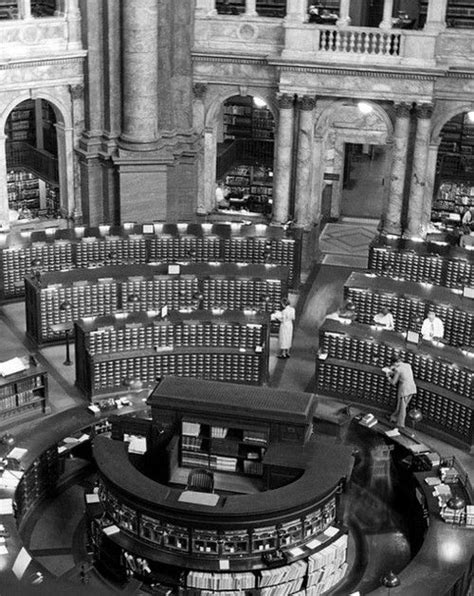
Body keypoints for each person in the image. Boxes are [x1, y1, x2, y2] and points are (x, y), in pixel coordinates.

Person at [385, 354, 417, 428]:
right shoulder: (408, 365)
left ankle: (400, 425)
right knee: (403, 407)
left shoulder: (397, 369)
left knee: (402, 408)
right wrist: (393, 371)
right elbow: (404, 374)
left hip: (404, 390)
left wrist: (388, 377)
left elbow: (393, 382)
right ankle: (394, 418)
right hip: (412, 388)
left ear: (394, 363)